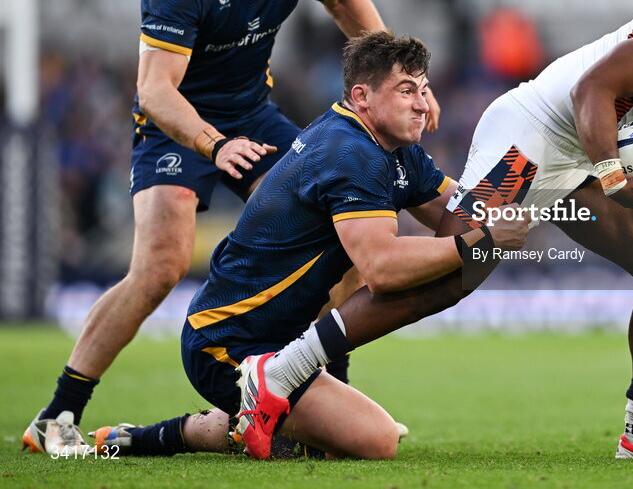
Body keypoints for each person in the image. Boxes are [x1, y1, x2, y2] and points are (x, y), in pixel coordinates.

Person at [240, 0, 633, 459]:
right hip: (532, 135)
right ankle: (281, 370)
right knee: (459, 266)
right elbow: (592, 90)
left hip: (584, 163)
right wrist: (613, 178)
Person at [23, 0, 439, 455]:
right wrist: (212, 144)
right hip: (178, 129)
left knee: (345, 234)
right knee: (159, 268)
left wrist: (395, 76)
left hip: (254, 115)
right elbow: (154, 90)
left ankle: (319, 385)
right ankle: (59, 412)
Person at [90, 31, 527, 460]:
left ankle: (145, 438)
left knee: (336, 436)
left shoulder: (391, 144)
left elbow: (458, 211)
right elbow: (383, 268)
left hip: (277, 345)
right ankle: (203, 423)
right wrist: (481, 242)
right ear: (362, 96)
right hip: (228, 343)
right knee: (375, 441)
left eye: (425, 90)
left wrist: (527, 173)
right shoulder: (349, 151)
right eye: (406, 90)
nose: (421, 104)